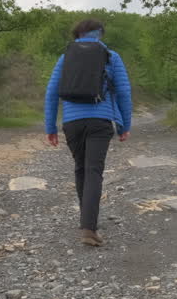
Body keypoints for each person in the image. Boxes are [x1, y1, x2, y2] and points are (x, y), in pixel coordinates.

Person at [43, 18, 133, 246]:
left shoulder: (66, 58)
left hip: (72, 122)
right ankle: (89, 228)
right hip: (100, 120)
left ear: (78, 36)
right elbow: (123, 92)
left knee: (81, 168)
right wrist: (125, 125)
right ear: (100, 34)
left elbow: (52, 93)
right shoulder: (111, 56)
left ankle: (87, 221)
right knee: (94, 171)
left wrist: (50, 127)